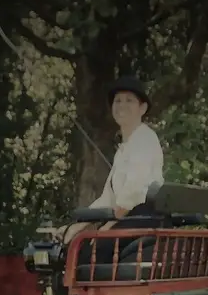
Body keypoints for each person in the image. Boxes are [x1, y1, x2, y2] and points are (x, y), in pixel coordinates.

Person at [61, 75, 167, 247]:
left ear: (143, 108)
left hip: (142, 220)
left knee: (85, 255)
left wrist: (108, 226)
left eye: (129, 100)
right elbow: (107, 199)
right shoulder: (124, 148)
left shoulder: (145, 138)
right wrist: (75, 227)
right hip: (128, 219)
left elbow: (134, 190)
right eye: (117, 101)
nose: (121, 106)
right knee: (75, 249)